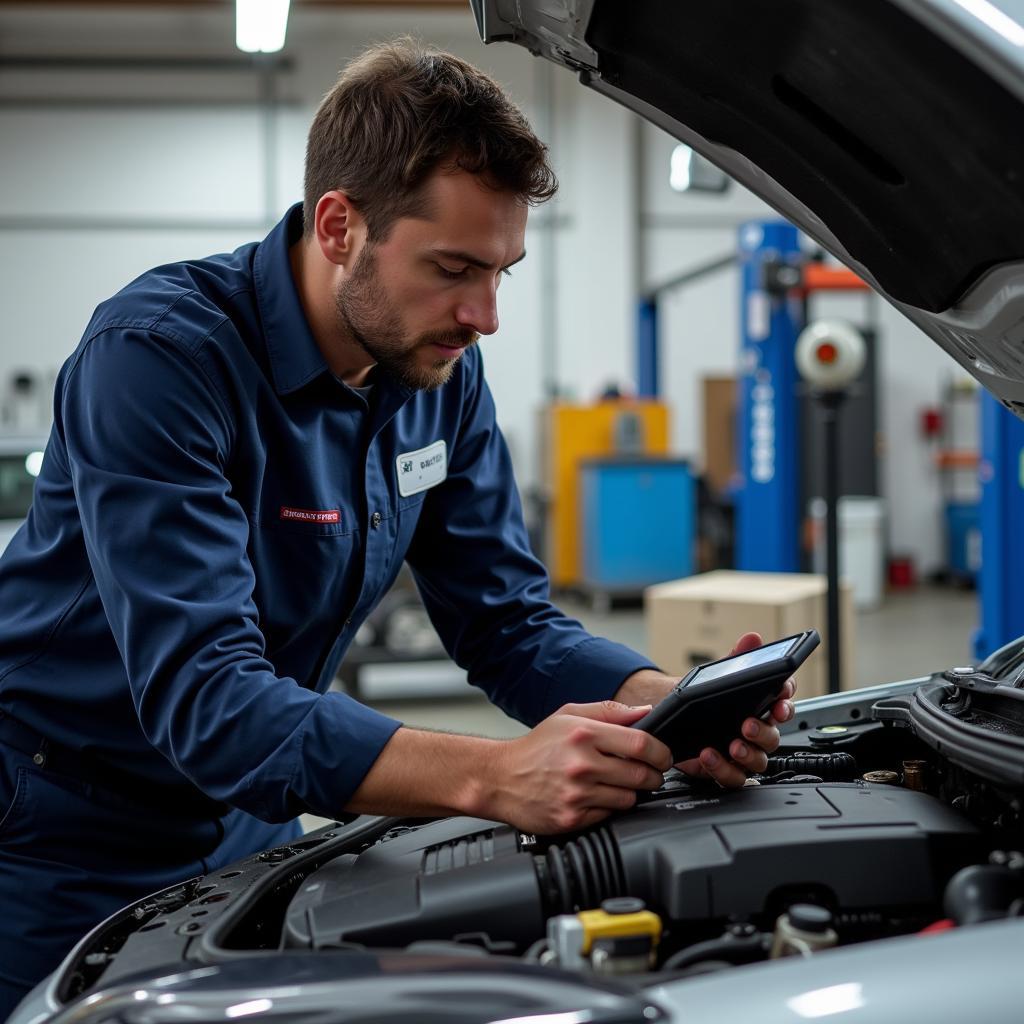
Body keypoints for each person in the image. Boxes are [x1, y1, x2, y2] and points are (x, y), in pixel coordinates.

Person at [0, 39, 794, 1014]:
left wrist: (663, 705)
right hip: (59, 830)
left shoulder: (436, 377)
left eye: (503, 270)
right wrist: (496, 775)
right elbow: (207, 697)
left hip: (251, 816)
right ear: (340, 225)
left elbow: (505, 625)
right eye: (454, 267)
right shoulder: (160, 361)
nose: (485, 314)